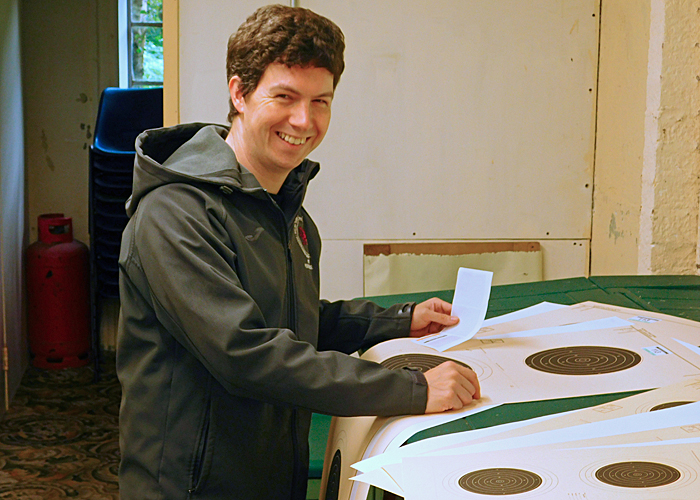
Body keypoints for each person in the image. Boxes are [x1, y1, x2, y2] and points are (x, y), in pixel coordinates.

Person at [116, 4, 480, 499]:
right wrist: (414, 389)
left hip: (267, 480)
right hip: (191, 488)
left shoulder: (289, 214)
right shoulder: (175, 214)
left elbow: (294, 326)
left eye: (321, 101)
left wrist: (396, 320)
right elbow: (245, 354)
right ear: (239, 93)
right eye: (284, 96)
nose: (303, 120)